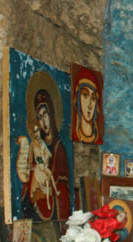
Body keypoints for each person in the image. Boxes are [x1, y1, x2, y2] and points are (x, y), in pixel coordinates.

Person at [20, 87, 71, 220]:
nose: (43, 121)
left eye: (45, 115)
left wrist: (46, 192)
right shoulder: (36, 145)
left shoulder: (59, 149)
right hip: (35, 205)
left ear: (52, 115)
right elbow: (29, 180)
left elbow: (62, 190)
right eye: (39, 117)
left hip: (52, 209)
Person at [73, 68, 102, 144]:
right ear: (78, 98)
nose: (90, 105)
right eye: (85, 95)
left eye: (93, 98)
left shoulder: (98, 140)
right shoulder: (75, 135)